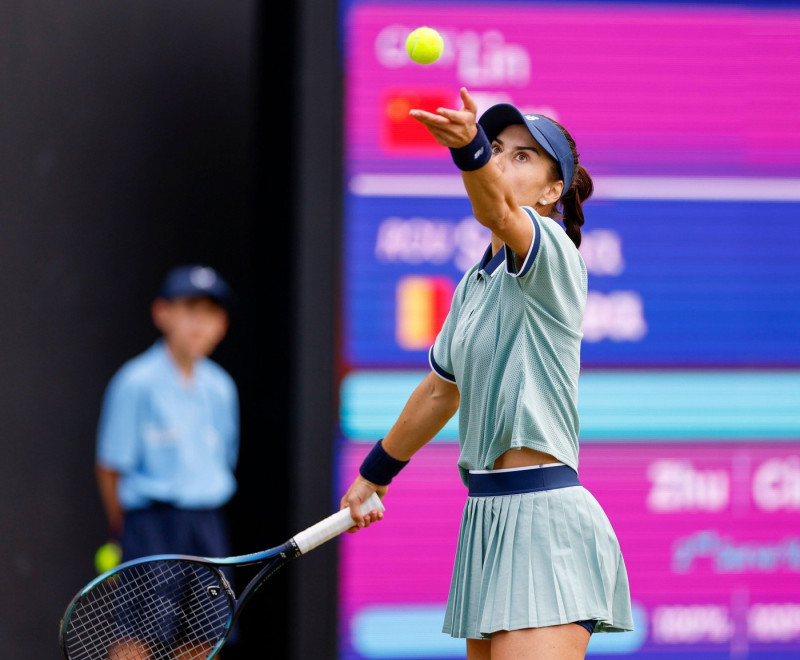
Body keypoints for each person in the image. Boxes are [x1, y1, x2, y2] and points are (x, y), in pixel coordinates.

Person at [340, 88, 634, 660]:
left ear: (553, 191)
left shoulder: (552, 249)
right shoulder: (473, 287)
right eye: (497, 148)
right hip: (487, 520)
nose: (501, 160)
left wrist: (470, 148)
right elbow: (437, 392)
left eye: (523, 156)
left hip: (547, 523)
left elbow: (495, 210)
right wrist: (374, 476)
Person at [95, 264, 239, 659]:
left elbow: (224, 457)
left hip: (207, 529)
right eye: (190, 309)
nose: (200, 323)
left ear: (222, 324)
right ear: (163, 313)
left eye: (211, 313)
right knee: (136, 639)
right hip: (151, 530)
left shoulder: (222, 387)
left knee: (203, 639)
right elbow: (110, 468)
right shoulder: (134, 382)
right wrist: (126, 530)